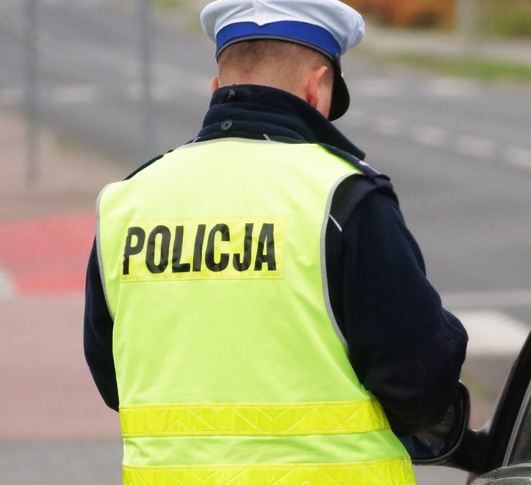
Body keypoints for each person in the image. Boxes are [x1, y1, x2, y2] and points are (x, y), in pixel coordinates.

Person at [83, 0, 468, 483]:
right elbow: (418, 382)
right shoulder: (342, 196)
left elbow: (114, 378)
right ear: (317, 86)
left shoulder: (127, 203)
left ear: (217, 88)